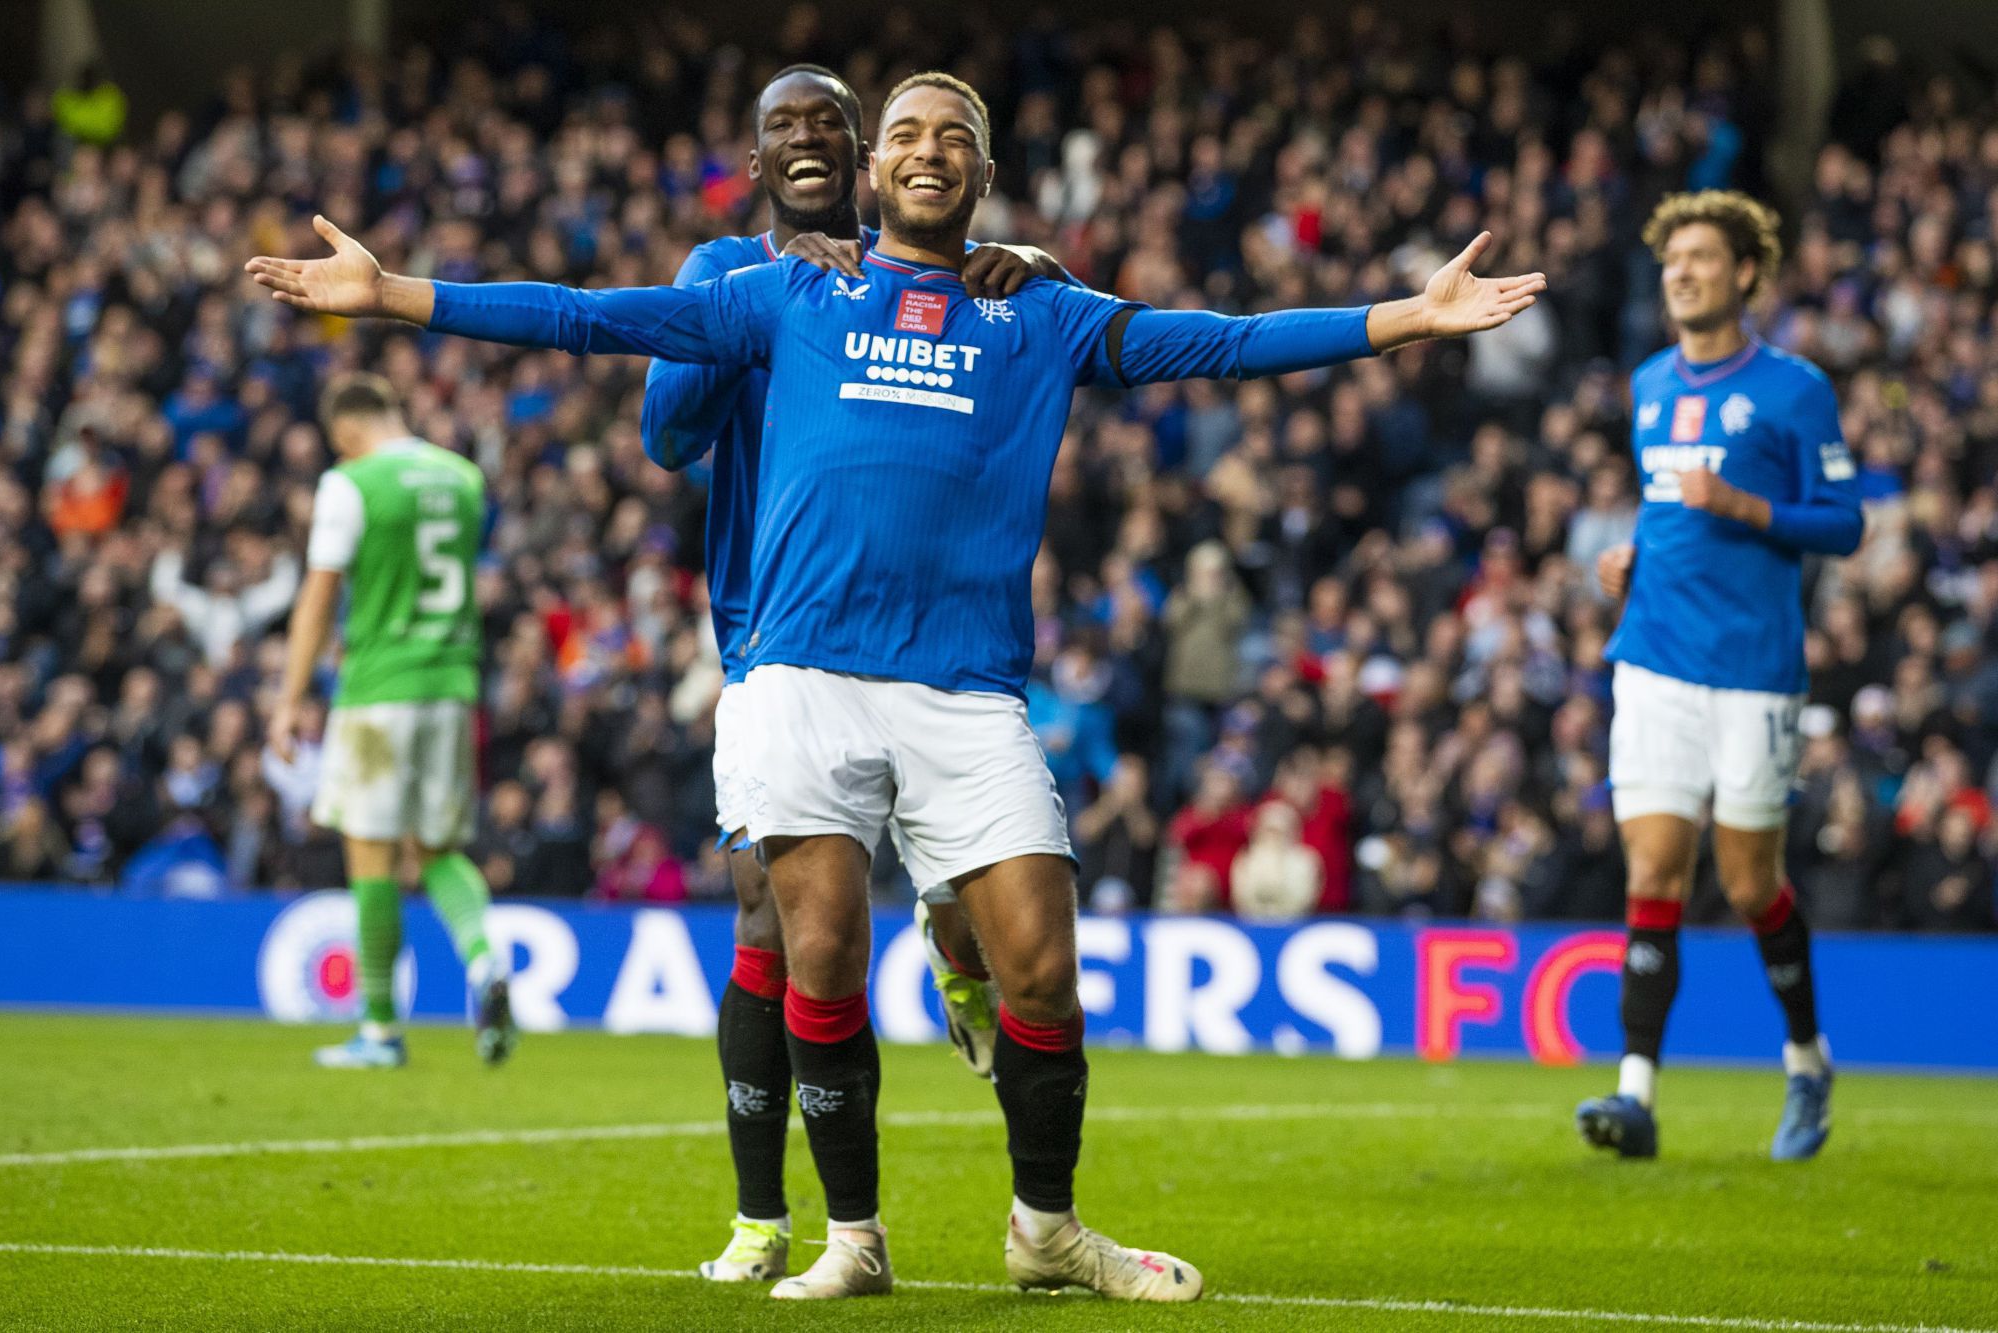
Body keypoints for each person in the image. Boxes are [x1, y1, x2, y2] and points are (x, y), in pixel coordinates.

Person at [246, 71, 1543, 1301]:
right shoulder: (788, 292)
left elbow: (1224, 342)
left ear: (984, 171)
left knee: (1043, 971)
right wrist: (394, 295)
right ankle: (851, 1236)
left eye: (953, 137)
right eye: (908, 135)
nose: (929, 152)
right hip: (799, 673)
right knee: (817, 952)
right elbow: (587, 315)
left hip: (966, 692)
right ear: (873, 170)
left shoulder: (1038, 309)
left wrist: (1405, 318)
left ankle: (1046, 1230)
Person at [637, 63, 1068, 1285]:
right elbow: (667, 436)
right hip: (771, 630)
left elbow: (1011, 309)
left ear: (866, 156)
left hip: (929, 642)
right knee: (775, 921)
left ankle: (960, 964)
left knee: (971, 901)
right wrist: (765, 306)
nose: (809, 139)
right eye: (784, 126)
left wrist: (1021, 265)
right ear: (757, 161)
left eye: (831, 122)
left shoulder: (943, 276)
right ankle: (764, 1216)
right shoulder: (734, 273)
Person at [1577, 191, 1864, 1162]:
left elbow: (1844, 523)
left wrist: (1744, 506)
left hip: (1752, 673)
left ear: (1745, 272)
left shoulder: (1793, 390)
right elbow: (1666, 511)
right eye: (1671, 261)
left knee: (1748, 883)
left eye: (1700, 257)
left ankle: (1806, 1060)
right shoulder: (1649, 382)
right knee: (1653, 869)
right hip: (1653, 655)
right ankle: (1634, 1094)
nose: (1681, 273)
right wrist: (1632, 560)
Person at [268, 374, 516, 1070]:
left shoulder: (351, 483)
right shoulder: (462, 477)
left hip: (379, 691)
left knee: (372, 856)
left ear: (345, 429)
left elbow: (320, 597)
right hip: (452, 686)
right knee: (435, 848)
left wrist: (289, 699)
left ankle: (378, 1031)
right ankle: (485, 957)